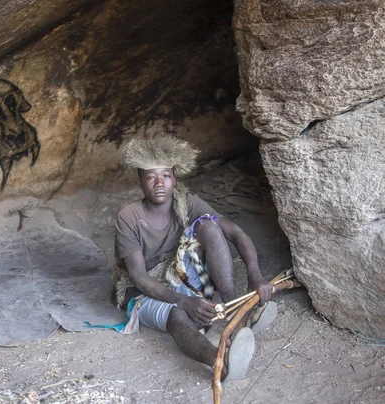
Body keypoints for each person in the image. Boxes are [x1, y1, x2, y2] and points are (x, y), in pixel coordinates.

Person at [111, 136, 277, 381]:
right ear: (140, 182)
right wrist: (182, 302)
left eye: (166, 176)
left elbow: (236, 232)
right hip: (143, 291)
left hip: (181, 275)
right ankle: (222, 362)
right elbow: (138, 276)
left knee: (209, 227)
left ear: (174, 179)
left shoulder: (187, 203)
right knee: (176, 316)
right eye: (150, 177)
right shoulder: (129, 217)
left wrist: (254, 273)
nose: (159, 183)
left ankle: (235, 311)